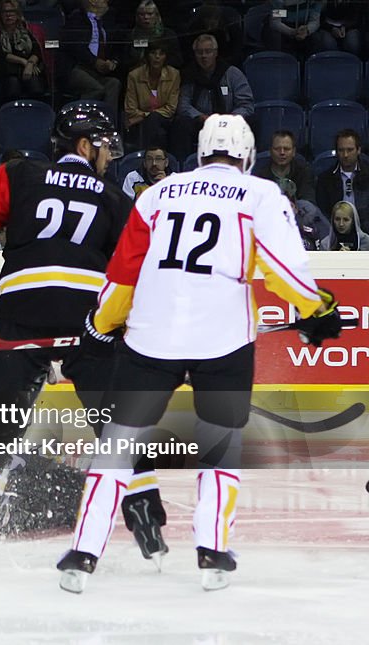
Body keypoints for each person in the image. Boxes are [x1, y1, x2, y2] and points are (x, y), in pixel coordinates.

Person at [57, 114, 344, 594]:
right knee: (220, 445)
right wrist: (318, 309)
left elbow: (123, 275)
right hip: (222, 339)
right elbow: (282, 269)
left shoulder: (156, 194)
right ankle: (213, 551)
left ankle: (82, 553)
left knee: (117, 445)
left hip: (151, 334)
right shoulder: (259, 194)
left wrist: (99, 325)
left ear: (200, 152)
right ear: (247, 156)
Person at [0, 104, 170, 559]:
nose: (109, 156)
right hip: (87, 317)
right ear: (84, 146)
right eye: (104, 146)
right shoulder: (114, 198)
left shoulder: (18, 174)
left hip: (22, 314)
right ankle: (148, 528)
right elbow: (135, 269)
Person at [169, 34, 254, 163]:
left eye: (208, 52)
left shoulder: (232, 74)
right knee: (181, 124)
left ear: (216, 53)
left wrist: (229, 119)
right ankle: (183, 165)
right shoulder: (189, 75)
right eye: (199, 52)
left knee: (251, 123)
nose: (204, 56)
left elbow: (246, 105)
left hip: (230, 123)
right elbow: (183, 104)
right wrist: (200, 117)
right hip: (200, 123)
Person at [61, 0, 122, 109]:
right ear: (93, 2)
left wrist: (113, 62)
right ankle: (80, 119)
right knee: (97, 89)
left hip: (97, 71)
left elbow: (118, 45)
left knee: (113, 84)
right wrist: (94, 61)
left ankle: (108, 122)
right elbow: (75, 47)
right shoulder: (76, 19)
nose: (107, 3)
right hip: (78, 68)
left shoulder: (107, 22)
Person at [0, 0, 49, 103]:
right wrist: (23, 62)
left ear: (18, 14)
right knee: (13, 86)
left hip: (31, 67)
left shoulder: (30, 29)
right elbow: (0, 55)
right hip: (8, 70)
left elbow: (37, 50)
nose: (8, 15)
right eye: (5, 12)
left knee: (35, 86)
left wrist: (30, 64)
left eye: (12, 11)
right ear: (0, 15)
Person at [123, 42, 180, 152]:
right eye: (153, 53)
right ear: (147, 55)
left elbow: (171, 108)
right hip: (140, 125)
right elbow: (130, 109)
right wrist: (149, 116)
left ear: (166, 57)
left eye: (161, 53)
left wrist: (144, 115)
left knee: (158, 121)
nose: (157, 57)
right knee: (153, 122)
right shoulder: (134, 76)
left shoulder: (174, 74)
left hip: (165, 121)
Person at [315, 129, 369, 232]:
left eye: (350, 150)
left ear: (358, 150)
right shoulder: (325, 179)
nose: (345, 155)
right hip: (334, 231)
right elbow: (323, 212)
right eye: (341, 150)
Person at [255, 130, 315, 203]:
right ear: (270, 151)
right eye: (277, 149)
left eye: (286, 149)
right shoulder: (259, 176)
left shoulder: (303, 173)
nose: (282, 153)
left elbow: (308, 201)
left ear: (293, 152)